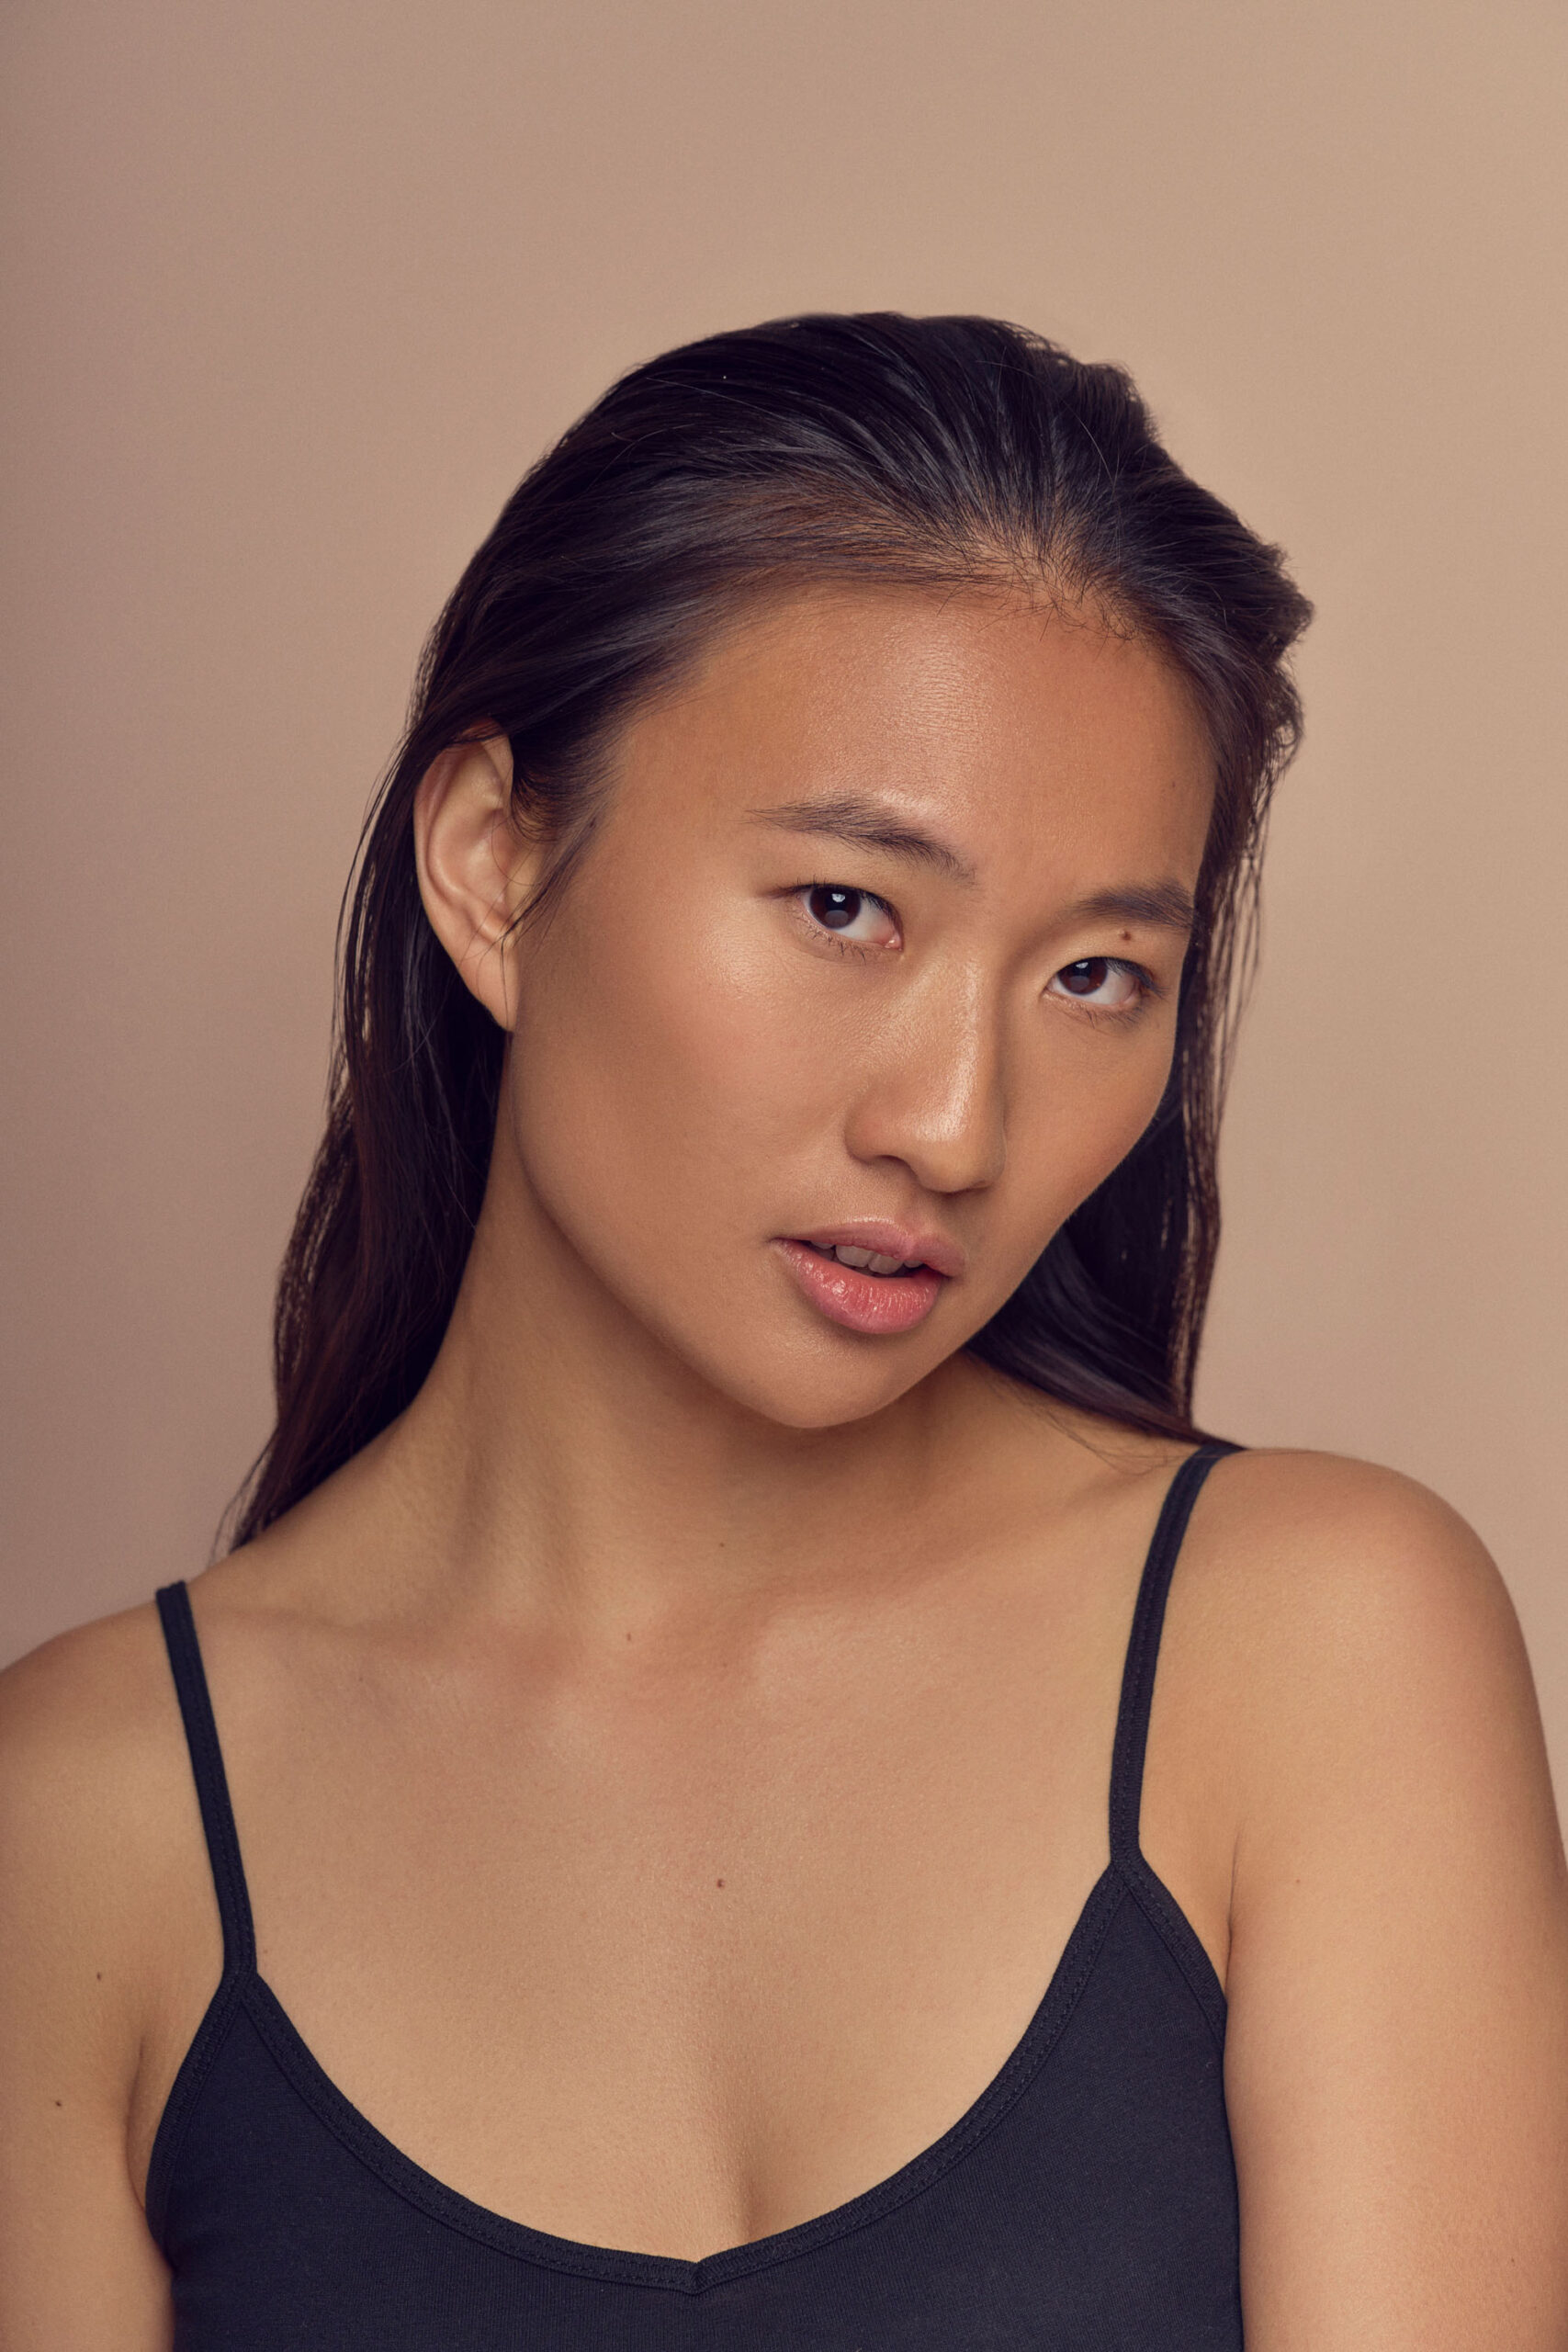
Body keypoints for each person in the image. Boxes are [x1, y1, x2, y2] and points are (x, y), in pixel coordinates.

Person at [1, 312, 1564, 2349]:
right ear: (495, 858)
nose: (952, 1122)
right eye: (845, 907)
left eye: (1095, 973)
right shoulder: (80, 1824)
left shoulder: (1310, 1647)